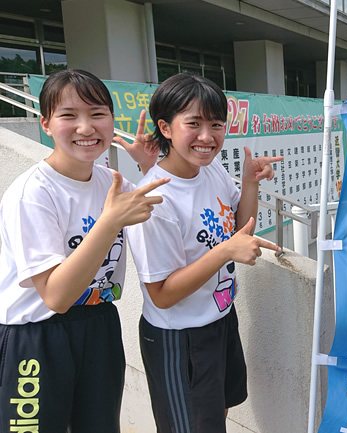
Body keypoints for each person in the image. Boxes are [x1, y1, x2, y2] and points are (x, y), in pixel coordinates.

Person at [0, 69, 168, 433]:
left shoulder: (111, 181)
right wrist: (109, 223)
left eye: (97, 114)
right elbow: (56, 297)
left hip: (100, 322)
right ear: (45, 123)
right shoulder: (32, 194)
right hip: (37, 335)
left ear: (111, 120)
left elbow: (168, 210)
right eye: (68, 116)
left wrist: (149, 165)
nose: (86, 127)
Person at [125, 73, 283, 432]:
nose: (207, 136)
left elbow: (242, 229)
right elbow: (161, 295)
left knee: (217, 416)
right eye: (193, 124)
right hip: (179, 338)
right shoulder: (155, 199)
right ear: (165, 128)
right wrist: (225, 250)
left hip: (219, 319)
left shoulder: (209, 170)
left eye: (216, 124)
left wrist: (249, 183)